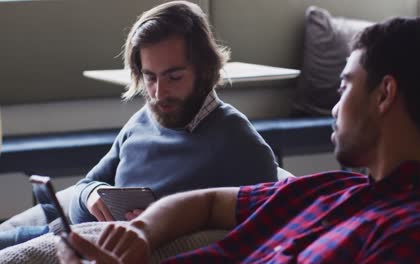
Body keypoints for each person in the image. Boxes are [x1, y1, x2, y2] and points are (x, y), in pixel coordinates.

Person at [58, 17, 420, 263]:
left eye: (345, 87)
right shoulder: (331, 190)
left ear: (384, 94)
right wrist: (142, 232)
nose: (335, 106)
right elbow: (210, 202)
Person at [0, 0, 277, 250]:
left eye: (174, 77)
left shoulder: (239, 143)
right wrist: (92, 195)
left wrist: (159, 223)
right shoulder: (142, 121)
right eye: (150, 77)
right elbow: (85, 186)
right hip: (64, 234)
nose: (158, 93)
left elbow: (264, 236)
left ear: (204, 71)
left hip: (97, 249)